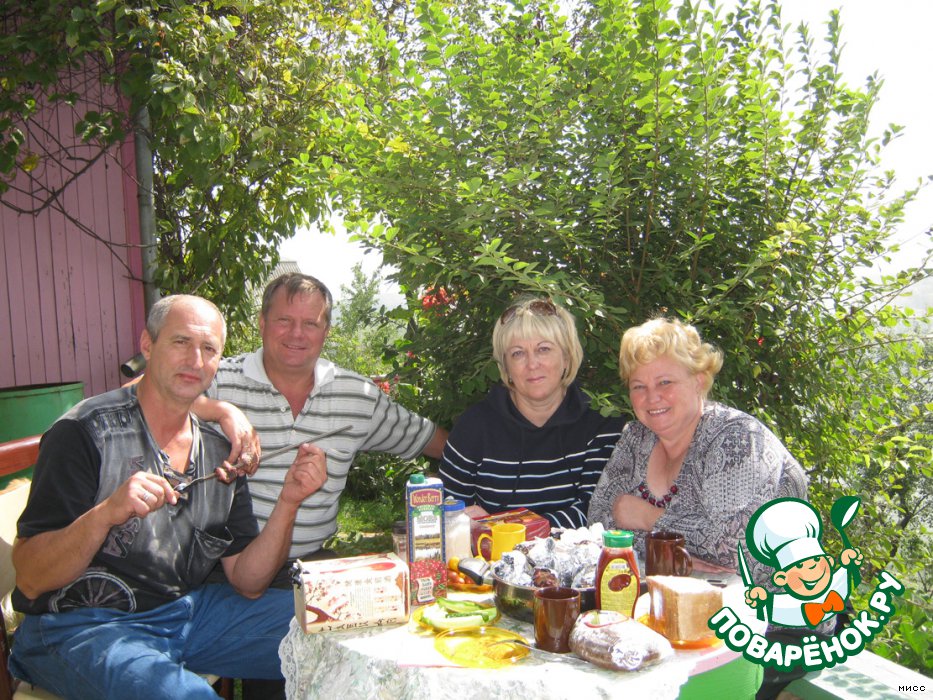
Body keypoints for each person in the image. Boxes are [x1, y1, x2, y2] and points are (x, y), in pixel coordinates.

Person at [9, 295, 329, 699]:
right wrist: (106, 514)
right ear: (148, 344)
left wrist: (289, 502)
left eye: (209, 349)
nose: (195, 360)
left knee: (329, 627)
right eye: (181, 342)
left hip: (188, 613)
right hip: (79, 626)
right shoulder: (84, 433)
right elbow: (31, 578)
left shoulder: (219, 451)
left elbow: (247, 582)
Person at [197, 272, 448, 567]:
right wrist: (222, 411)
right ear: (262, 322)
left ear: (326, 331)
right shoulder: (220, 379)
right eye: (284, 320)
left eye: (310, 324)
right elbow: (154, 398)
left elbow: (432, 441)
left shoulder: (357, 395)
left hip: (311, 567)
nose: (296, 334)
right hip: (220, 568)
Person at [587, 317, 808, 575]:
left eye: (665, 382)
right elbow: (598, 524)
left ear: (699, 381)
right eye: (638, 386)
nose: (652, 396)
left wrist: (646, 517)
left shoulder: (736, 439)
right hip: (677, 593)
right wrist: (672, 551)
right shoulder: (636, 438)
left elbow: (733, 549)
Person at [439, 296, 624, 529]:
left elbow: (597, 512)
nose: (532, 364)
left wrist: (505, 527)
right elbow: (448, 514)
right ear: (505, 366)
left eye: (543, 349)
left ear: (567, 357)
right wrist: (464, 522)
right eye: (518, 353)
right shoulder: (474, 428)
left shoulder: (602, 424)